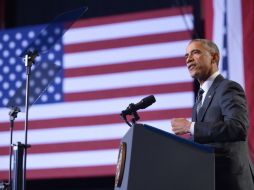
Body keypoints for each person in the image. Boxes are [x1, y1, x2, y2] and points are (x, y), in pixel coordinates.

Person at [171, 39, 254, 190]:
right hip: (209, 181)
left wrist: (191, 127)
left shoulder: (227, 88)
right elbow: (201, 140)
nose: (188, 59)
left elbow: (238, 128)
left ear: (214, 57)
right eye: (186, 56)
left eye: (195, 52)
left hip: (231, 182)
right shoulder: (200, 99)